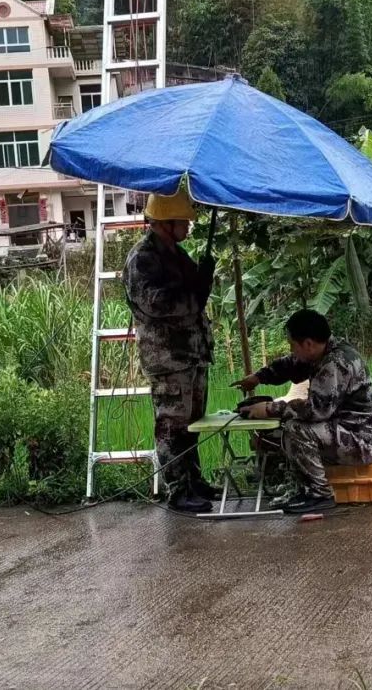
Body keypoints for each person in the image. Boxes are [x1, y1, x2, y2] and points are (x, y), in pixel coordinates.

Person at [232, 309, 372, 514]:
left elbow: (316, 410)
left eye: (292, 345)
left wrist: (269, 409)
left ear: (308, 344)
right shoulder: (321, 351)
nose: (291, 350)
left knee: (297, 430)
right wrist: (259, 377)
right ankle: (300, 487)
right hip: (343, 429)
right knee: (280, 433)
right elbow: (291, 365)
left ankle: (319, 494)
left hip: (362, 441)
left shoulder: (336, 363)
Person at [122, 188, 219, 513]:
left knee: (191, 424)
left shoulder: (175, 253)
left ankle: (194, 481)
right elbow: (158, 304)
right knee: (172, 427)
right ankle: (178, 491)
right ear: (166, 221)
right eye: (183, 221)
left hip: (191, 354)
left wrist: (200, 278)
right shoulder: (144, 258)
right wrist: (196, 292)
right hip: (169, 358)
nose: (189, 227)